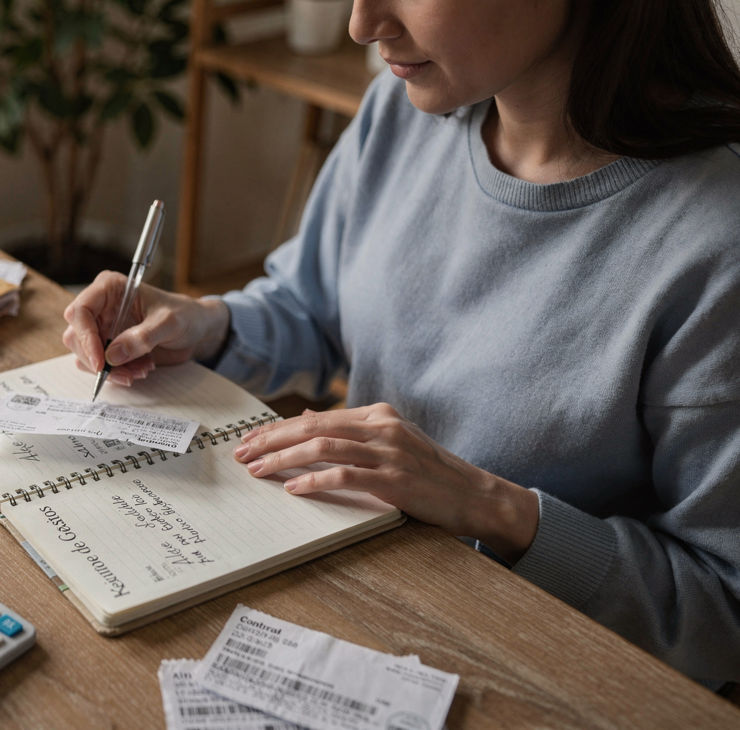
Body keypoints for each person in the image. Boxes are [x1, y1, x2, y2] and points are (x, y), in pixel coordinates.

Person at [63, 0, 740, 686]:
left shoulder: (718, 237)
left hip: (536, 677)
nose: (362, 24)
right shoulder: (404, 110)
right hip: (361, 613)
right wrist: (208, 324)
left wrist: (498, 510)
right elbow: (316, 305)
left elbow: (723, 614)